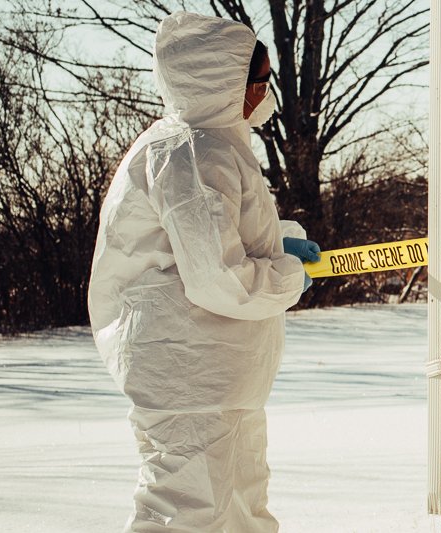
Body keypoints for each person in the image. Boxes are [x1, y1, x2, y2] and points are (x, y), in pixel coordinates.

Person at [87, 11, 322, 532]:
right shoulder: (191, 151)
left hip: (215, 374)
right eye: (259, 81)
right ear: (223, 81)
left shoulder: (206, 143)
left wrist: (276, 241)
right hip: (190, 374)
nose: (265, 94)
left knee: (239, 508)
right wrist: (285, 276)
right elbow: (217, 277)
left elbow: (207, 239)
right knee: (187, 513)